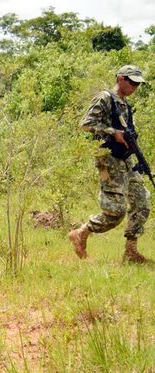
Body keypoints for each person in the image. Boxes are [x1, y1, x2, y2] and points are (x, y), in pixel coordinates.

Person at [68, 65, 150, 263]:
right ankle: (82, 232)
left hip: (126, 157)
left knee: (142, 201)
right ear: (120, 79)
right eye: (132, 82)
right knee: (116, 211)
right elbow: (86, 124)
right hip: (108, 157)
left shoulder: (126, 105)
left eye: (138, 84)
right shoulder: (105, 98)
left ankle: (130, 252)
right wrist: (113, 133)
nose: (135, 87)